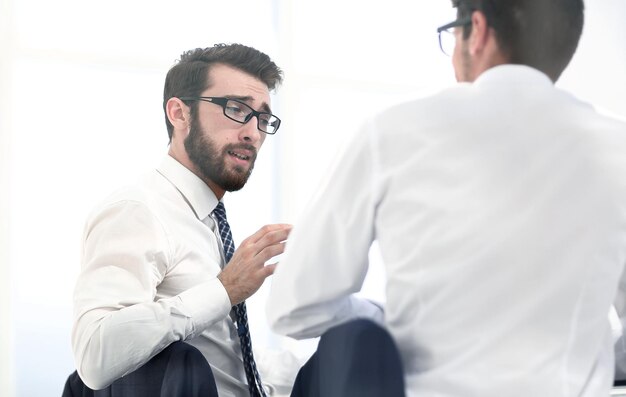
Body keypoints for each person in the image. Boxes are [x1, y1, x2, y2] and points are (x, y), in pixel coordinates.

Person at [266, 1, 626, 396]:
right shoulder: (617, 145)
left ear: (478, 30)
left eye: (452, 35)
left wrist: (386, 316)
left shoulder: (392, 131)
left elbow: (294, 308)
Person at [70, 43, 299, 397]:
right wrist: (224, 290)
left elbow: (225, 359)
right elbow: (94, 354)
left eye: (262, 119)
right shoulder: (139, 209)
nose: (253, 133)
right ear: (179, 113)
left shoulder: (208, 220)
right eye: (237, 109)